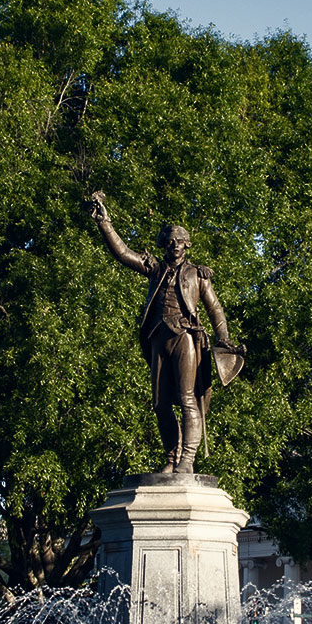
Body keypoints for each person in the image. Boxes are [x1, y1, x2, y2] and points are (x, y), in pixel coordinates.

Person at [86, 192, 242, 475]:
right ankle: (171, 458)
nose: (174, 246)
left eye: (179, 242)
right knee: (159, 404)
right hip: (159, 337)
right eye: (169, 242)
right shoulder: (155, 269)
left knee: (186, 398)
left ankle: (188, 459)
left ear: (186, 246)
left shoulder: (197, 274)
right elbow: (122, 253)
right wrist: (104, 222)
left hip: (186, 337)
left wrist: (224, 338)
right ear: (164, 245)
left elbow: (215, 309)